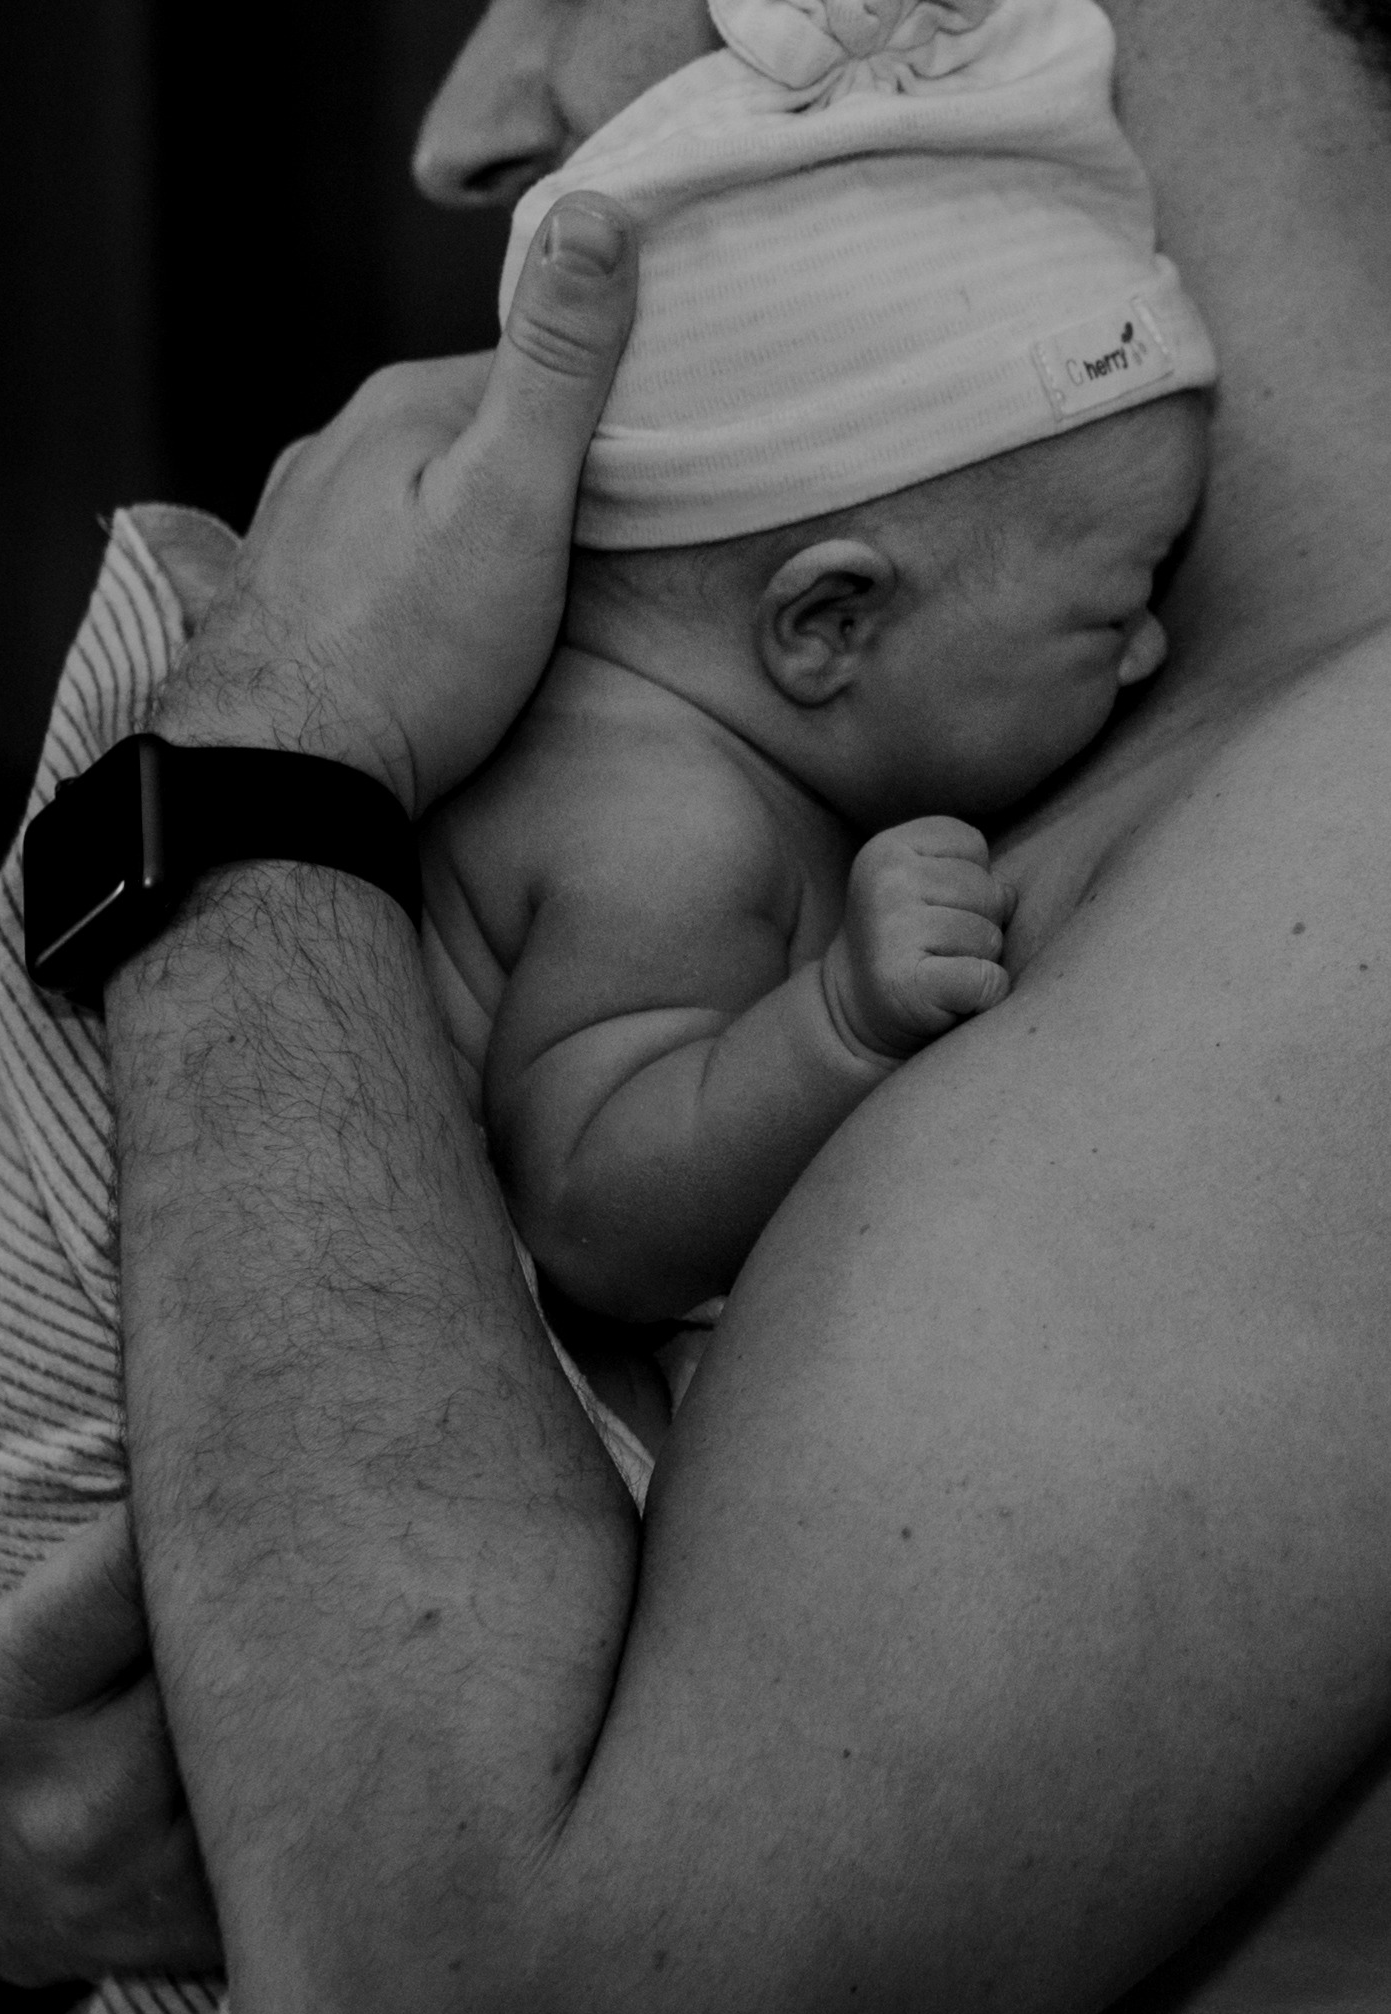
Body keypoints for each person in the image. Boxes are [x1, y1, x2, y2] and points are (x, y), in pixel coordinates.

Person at [0, 2, 1391, 2014]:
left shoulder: (1347, 852)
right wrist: (90, 1693)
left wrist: (266, 763)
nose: (469, 114)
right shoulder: (1002, 728)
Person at [428, 0, 1212, 1325]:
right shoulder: (665, 835)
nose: (1152, 650)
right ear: (829, 625)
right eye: (1120, 597)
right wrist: (840, 1022)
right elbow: (585, 1218)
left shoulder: (697, 758)